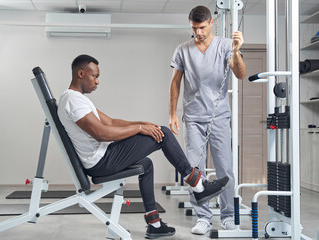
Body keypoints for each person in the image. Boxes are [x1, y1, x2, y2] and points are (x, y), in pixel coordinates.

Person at [57, 54, 229, 239]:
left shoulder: (79, 99)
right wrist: (139, 128)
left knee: (145, 164)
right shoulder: (73, 100)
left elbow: (111, 122)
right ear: (81, 73)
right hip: (102, 161)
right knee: (163, 134)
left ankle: (154, 223)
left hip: (103, 156)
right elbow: (102, 134)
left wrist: (144, 124)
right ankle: (197, 184)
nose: (97, 81)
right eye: (94, 76)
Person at [169, 6, 246, 235]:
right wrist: (172, 113)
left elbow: (240, 74)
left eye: (202, 27)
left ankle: (228, 216)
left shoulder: (225, 45)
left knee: (225, 169)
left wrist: (237, 51)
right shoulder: (182, 50)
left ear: (211, 23)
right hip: (192, 118)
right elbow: (175, 83)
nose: (198, 32)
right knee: (195, 171)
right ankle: (203, 217)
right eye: (194, 28)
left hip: (218, 116)